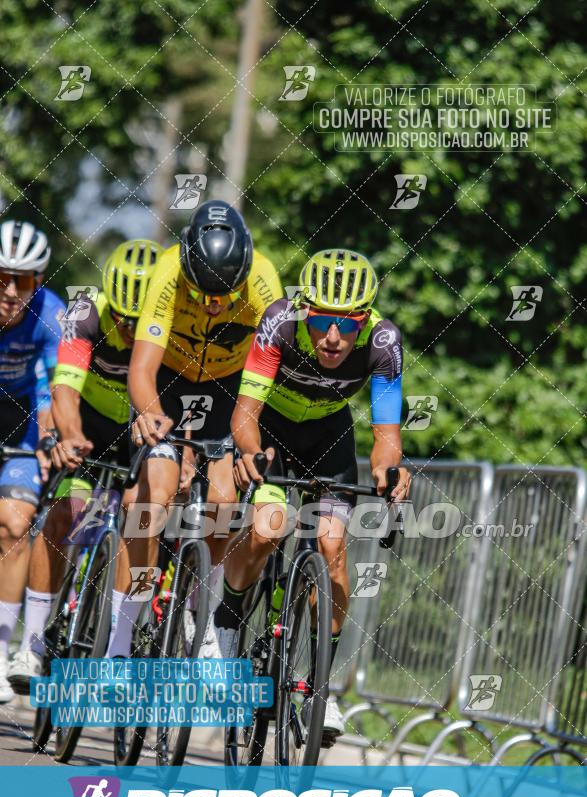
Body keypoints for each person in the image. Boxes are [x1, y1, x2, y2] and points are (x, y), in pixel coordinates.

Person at [219, 248, 412, 738]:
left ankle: (318, 689)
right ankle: (227, 617)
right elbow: (244, 413)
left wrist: (391, 472)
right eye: (323, 320)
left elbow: (386, 435)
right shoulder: (279, 322)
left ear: (366, 321)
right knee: (267, 529)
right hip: (271, 433)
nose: (333, 336)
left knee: (331, 549)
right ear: (306, 310)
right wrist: (249, 452)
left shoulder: (385, 342)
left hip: (329, 437)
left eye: (347, 325)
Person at [127, 200, 283, 659]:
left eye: (223, 296)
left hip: (228, 386)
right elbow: (140, 371)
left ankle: (199, 611)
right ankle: (127, 622)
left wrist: (249, 443)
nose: (213, 306)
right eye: (201, 295)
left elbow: (269, 374)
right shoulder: (168, 271)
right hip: (169, 382)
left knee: (222, 502)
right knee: (156, 495)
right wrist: (153, 416)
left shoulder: (262, 283)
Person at [7, 240, 163, 694]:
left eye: (142, 321)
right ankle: (31, 644)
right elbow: (65, 389)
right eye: (123, 320)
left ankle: (122, 642)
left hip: (140, 427)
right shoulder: (85, 314)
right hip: (89, 422)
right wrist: (70, 435)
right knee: (65, 514)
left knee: (146, 515)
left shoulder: (170, 326)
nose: (132, 330)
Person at [0, 220, 62, 702]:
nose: (10, 290)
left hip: (19, 422)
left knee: (16, 524)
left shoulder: (50, 313)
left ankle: (1, 652)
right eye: (1, 276)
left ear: (37, 281)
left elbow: (52, 392)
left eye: (22, 280)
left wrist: (47, 444)